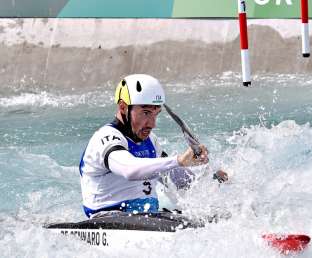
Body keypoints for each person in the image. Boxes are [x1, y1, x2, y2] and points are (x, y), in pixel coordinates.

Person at [79, 74, 227, 218]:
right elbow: (129, 169)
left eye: (156, 114)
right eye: (146, 113)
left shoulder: (151, 141)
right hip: (106, 219)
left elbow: (178, 180)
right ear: (123, 107)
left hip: (149, 218)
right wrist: (179, 160)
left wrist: (214, 178)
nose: (152, 124)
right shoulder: (105, 139)